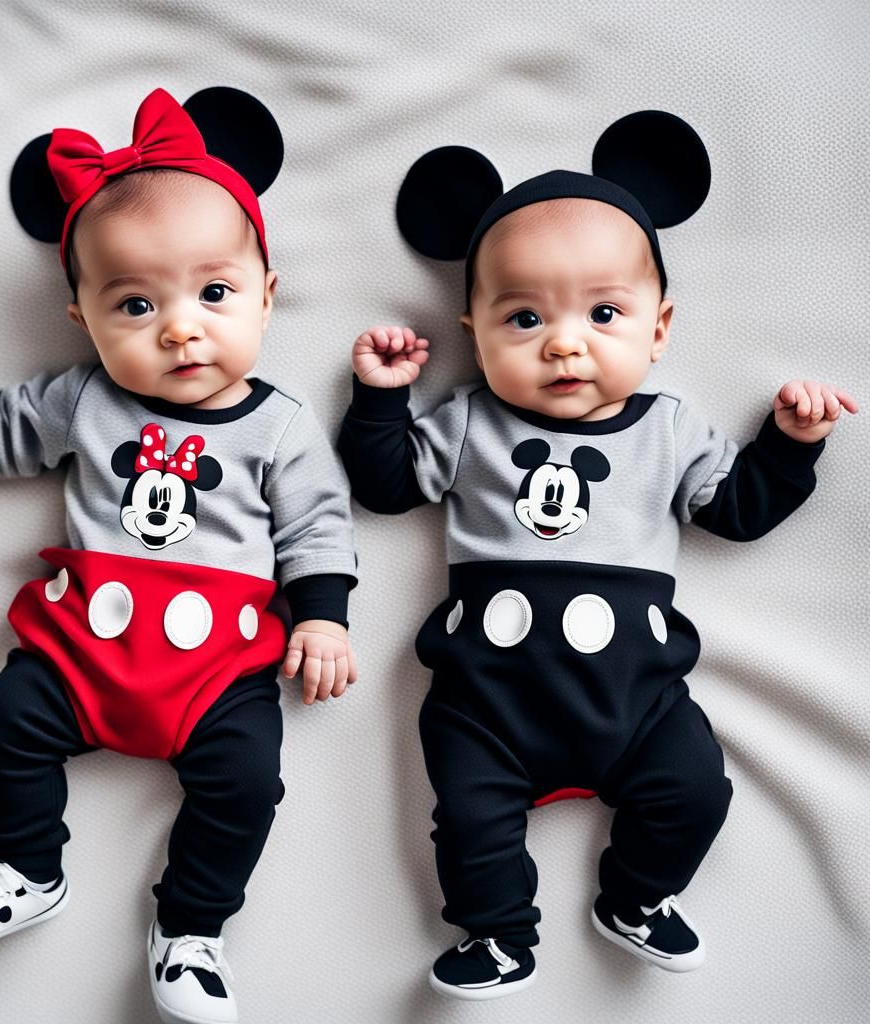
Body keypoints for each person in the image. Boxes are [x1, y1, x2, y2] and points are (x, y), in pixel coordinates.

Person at [0, 87, 358, 1024]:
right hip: (81, 648)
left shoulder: (283, 428)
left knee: (248, 780)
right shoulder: (87, 402)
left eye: (215, 294)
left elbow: (316, 525)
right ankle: (24, 866)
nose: (180, 328)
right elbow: (4, 424)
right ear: (84, 319)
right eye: (136, 303)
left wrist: (324, 613)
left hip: (218, 669)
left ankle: (193, 931)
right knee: (4, 720)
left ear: (266, 294)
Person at [337, 111, 857, 999]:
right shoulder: (468, 422)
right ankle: (497, 934)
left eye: (604, 313)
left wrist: (789, 443)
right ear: (473, 328)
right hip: (484, 702)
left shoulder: (671, 430)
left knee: (694, 790)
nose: (565, 342)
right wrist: (383, 400)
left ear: (659, 329)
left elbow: (735, 512)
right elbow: (386, 486)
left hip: (639, 700)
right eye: (525, 317)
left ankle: (638, 897)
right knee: (468, 817)